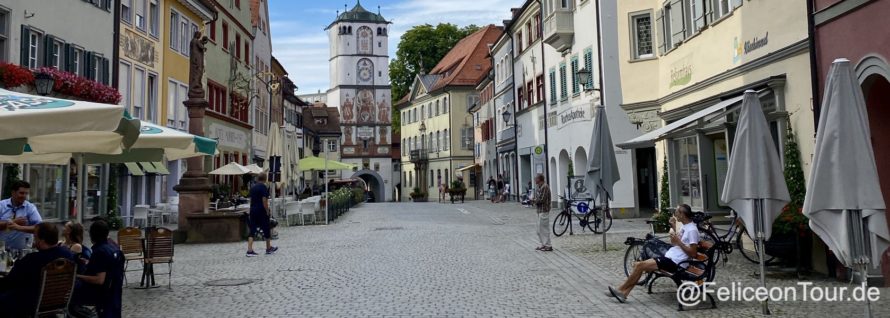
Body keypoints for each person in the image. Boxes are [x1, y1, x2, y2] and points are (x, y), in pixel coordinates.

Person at [607, 204, 700, 303]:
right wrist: (673, 227)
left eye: (677, 212)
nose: (675, 214)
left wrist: (679, 242)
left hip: (676, 263)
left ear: (682, 215)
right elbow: (676, 242)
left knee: (640, 266)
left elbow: (693, 254)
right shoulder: (685, 227)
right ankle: (624, 293)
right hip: (670, 257)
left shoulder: (692, 230)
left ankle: (620, 290)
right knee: (639, 265)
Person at [0, 223, 76, 316]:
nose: (34, 240)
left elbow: (10, 281)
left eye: (35, 237)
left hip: (31, 303)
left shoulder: (33, 259)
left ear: (42, 240)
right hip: (58, 301)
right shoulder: (67, 254)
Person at [71, 220, 124, 318]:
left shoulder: (100, 251)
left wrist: (76, 276)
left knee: (69, 293)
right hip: (114, 292)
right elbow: (107, 267)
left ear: (92, 235)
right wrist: (90, 263)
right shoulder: (113, 247)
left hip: (99, 293)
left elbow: (99, 280)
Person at [0, 180, 43, 250]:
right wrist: (12, 222)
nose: (24, 196)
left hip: (22, 251)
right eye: (21, 193)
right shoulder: (1, 205)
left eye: (26, 193)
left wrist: (18, 227)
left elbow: (40, 228)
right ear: (13, 192)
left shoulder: (30, 208)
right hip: (2, 251)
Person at [246, 174, 277, 257]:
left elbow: (251, 200)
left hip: (253, 210)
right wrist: (267, 210)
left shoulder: (253, 188)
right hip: (261, 211)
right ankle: (268, 248)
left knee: (252, 229)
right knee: (266, 228)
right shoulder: (263, 187)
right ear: (265, 179)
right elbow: (264, 200)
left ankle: (249, 250)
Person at [532, 174, 552, 251]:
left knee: (544, 228)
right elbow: (538, 197)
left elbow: (542, 199)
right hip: (539, 210)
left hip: (544, 210)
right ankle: (543, 244)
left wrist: (533, 200)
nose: (535, 180)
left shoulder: (545, 187)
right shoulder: (539, 187)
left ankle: (548, 245)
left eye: (536, 178)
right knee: (539, 229)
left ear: (540, 179)